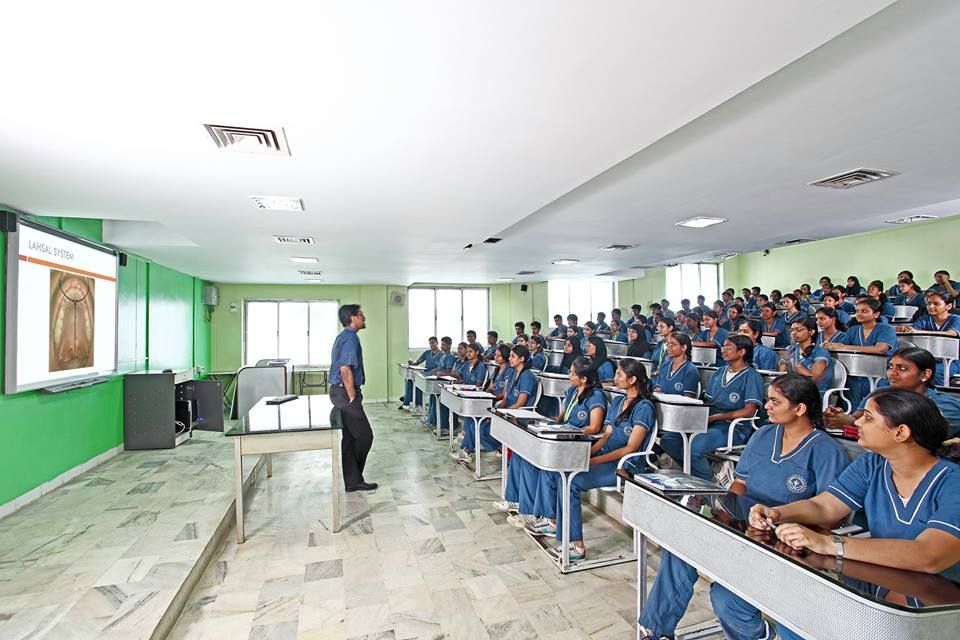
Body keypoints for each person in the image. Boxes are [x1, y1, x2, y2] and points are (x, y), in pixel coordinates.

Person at [639, 375, 850, 640]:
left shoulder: (825, 450)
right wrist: (728, 511)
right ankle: (657, 630)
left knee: (724, 596)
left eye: (774, 401)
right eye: (767, 400)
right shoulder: (763, 435)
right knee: (682, 544)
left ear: (799, 408)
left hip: (786, 544)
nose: (767, 407)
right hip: (745, 528)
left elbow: (829, 516)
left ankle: (757, 633)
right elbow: (739, 484)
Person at [749, 388, 960, 638]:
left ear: (901, 432)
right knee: (795, 620)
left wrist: (829, 544)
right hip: (888, 583)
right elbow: (825, 506)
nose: (857, 421)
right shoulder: (871, 465)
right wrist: (778, 513)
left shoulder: (952, 482)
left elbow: (930, 555)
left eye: (868, 418)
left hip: (943, 605)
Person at [529, 358, 656, 560]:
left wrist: (593, 461)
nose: (615, 377)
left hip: (624, 465)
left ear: (632, 380)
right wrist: (588, 454)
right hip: (605, 456)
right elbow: (605, 436)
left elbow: (630, 449)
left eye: (619, 374)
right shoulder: (618, 401)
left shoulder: (644, 408)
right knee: (556, 469)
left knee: (571, 481)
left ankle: (577, 546)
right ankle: (554, 523)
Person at [662, 335, 763, 479]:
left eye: (728, 347)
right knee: (669, 440)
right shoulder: (719, 372)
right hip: (708, 420)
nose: (723, 350)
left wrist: (717, 417)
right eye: (723, 346)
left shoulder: (752, 376)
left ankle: (709, 485)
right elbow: (707, 400)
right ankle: (694, 472)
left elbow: (749, 410)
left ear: (742, 352)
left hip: (732, 427)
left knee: (695, 447)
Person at [825, 347, 960, 437]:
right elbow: (858, 418)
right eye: (890, 367)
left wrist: (851, 423)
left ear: (925, 374)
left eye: (902, 368)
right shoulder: (880, 393)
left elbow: (919, 436)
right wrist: (840, 418)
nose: (892, 373)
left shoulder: (944, 405)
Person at [330, 304, 376, 492]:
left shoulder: (344, 336)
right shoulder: (350, 338)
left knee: (349, 438)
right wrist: (352, 396)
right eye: (360, 315)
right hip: (344, 393)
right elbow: (345, 368)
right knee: (365, 436)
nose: (364, 317)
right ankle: (354, 478)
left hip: (339, 391)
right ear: (352, 318)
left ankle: (353, 481)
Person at [823, 298, 897, 408]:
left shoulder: (886, 329)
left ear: (876, 314)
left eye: (864, 311)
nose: (859, 314)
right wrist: (829, 346)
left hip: (880, 373)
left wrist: (845, 347)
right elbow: (840, 348)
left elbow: (880, 349)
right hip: (855, 374)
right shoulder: (853, 330)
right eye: (857, 311)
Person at [897, 290, 960, 384]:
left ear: (948, 306)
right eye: (929, 303)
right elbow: (913, 331)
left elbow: (951, 333)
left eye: (936, 304)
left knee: (933, 373)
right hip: (928, 359)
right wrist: (905, 329)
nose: (930, 306)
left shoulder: (956, 319)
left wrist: (919, 332)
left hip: (952, 361)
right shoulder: (925, 319)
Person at [456, 343, 502, 461]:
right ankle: (466, 447)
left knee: (474, 420)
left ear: (477, 352)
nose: (495, 358)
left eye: (498, 356)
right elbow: (490, 387)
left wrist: (489, 396)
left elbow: (504, 394)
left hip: (496, 402)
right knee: (471, 416)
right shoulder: (497, 369)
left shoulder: (481, 366)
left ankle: (467, 447)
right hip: (486, 397)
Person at [781, 317, 833, 394]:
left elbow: (812, 379)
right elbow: (782, 374)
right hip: (793, 392)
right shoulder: (791, 349)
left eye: (799, 330)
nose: (793, 333)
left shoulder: (821, 353)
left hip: (814, 394)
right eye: (792, 330)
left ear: (811, 332)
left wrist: (794, 362)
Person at [653, 331, 699, 397]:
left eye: (673, 345)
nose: (669, 347)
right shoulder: (664, 366)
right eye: (668, 344)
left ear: (684, 347)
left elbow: (688, 399)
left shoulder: (691, 370)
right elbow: (659, 390)